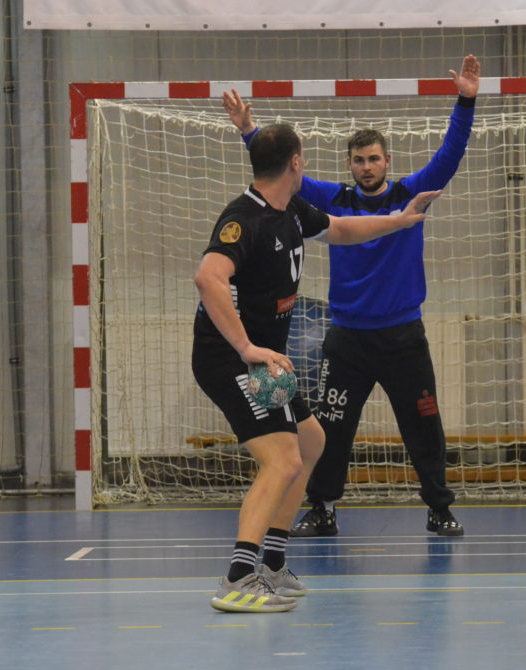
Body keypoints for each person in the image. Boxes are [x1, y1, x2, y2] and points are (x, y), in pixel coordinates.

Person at [221, 55, 480, 538]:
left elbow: (451, 153)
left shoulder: (412, 194)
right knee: (330, 430)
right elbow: (285, 173)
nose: (366, 167)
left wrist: (465, 100)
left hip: (404, 338)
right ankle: (322, 509)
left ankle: (438, 509)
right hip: (347, 341)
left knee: (423, 425)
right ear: (350, 165)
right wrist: (248, 130)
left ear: (387, 162)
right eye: (359, 160)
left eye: (374, 159)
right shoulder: (332, 200)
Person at [193, 122, 440, 613]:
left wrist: (400, 221)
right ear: (296, 162)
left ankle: (273, 563)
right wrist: (246, 347)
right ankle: (237, 578)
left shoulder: (290, 210)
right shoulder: (244, 217)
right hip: (230, 360)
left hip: (262, 363)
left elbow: (342, 229)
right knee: (282, 460)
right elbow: (208, 277)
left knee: (311, 442)